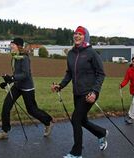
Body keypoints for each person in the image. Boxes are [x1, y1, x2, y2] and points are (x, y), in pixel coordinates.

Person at [51, 26, 108, 158]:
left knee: (75, 119)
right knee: (81, 120)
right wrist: (60, 86)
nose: (76, 36)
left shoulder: (92, 53)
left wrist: (94, 92)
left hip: (89, 93)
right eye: (75, 34)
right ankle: (101, 133)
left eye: (80, 34)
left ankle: (76, 153)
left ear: (85, 37)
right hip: (77, 92)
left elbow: (101, 74)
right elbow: (69, 74)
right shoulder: (71, 54)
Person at [0, 38, 54, 140]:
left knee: (32, 110)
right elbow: (16, 74)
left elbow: (25, 74)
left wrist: (12, 78)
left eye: (12, 45)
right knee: (6, 106)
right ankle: (5, 131)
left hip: (27, 87)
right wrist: (7, 81)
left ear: (19, 46)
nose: (11, 46)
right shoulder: (14, 57)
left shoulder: (24, 58)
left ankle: (48, 121)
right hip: (17, 86)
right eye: (11, 44)